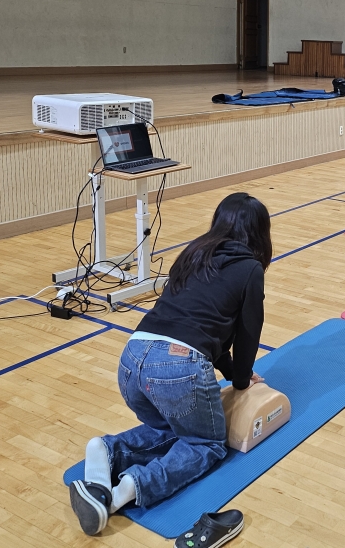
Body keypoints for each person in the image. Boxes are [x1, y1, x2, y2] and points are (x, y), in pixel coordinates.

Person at [68, 192, 271, 536]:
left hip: (133, 357)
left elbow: (200, 324)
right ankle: (124, 492)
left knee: (175, 429)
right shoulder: (250, 269)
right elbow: (249, 334)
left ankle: (105, 450)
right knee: (205, 444)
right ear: (260, 234)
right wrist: (240, 382)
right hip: (177, 369)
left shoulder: (193, 254)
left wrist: (228, 370)